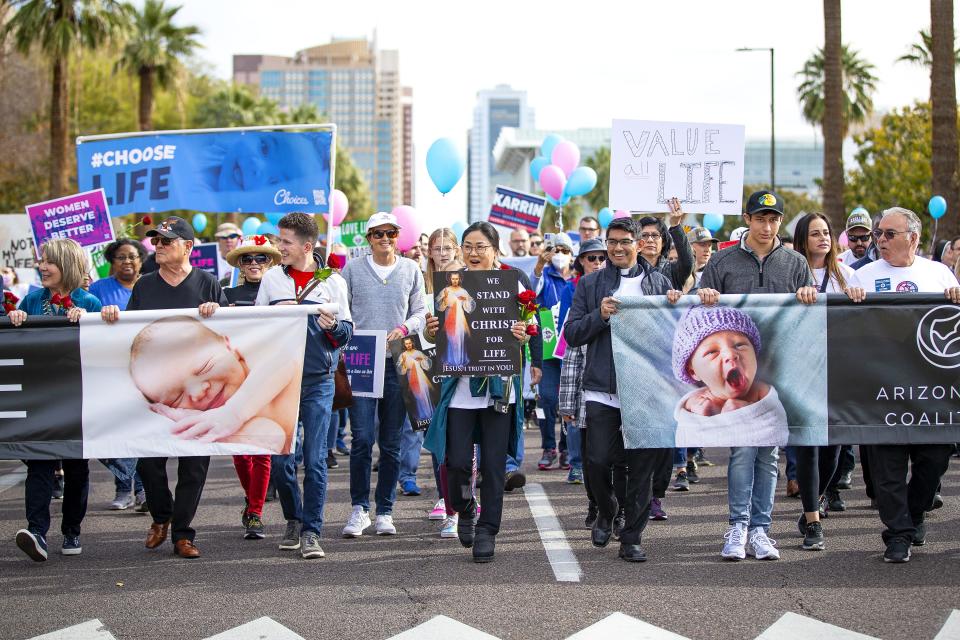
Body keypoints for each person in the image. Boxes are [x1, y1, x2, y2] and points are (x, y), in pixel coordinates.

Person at [697, 190, 817, 562]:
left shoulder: (795, 262)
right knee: (742, 449)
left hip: (778, 370)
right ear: (747, 219)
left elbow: (809, 311)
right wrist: (704, 293)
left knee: (768, 452)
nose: (767, 226)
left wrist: (809, 293)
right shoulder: (723, 260)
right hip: (737, 374)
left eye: (774, 219)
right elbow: (701, 303)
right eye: (761, 218)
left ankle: (762, 530)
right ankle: (738, 526)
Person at [100, 216, 226, 560]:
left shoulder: (209, 284)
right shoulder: (145, 286)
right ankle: (161, 517)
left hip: (197, 393)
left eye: (166, 242)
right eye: (155, 241)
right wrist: (111, 314)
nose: (158, 246)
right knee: (149, 461)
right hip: (154, 391)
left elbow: (233, 335)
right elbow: (129, 332)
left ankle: (183, 534)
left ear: (188, 247)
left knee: (193, 466)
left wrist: (217, 313)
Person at [845, 206, 959, 563]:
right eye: (879, 233)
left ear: (914, 237)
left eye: (888, 234)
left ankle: (915, 513)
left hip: (931, 392)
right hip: (882, 391)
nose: (880, 240)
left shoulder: (939, 273)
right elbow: (844, 329)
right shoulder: (861, 276)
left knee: (935, 460)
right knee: (887, 470)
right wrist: (850, 303)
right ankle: (897, 534)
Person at [564, 217, 679, 563]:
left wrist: (675, 305)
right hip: (603, 389)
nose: (616, 248)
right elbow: (571, 334)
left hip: (646, 391)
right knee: (596, 460)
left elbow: (674, 334)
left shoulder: (659, 283)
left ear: (638, 244)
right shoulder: (590, 284)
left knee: (641, 467)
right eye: (611, 241)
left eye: (624, 241)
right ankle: (606, 506)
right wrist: (599, 316)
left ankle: (632, 537)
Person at [423, 221, 531, 562]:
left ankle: (488, 530)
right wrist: (430, 331)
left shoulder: (512, 284)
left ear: (495, 251)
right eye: (467, 245)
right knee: (454, 462)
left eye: (480, 246)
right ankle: (465, 508)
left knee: (494, 466)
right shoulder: (448, 286)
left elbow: (534, 326)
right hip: (460, 391)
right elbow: (433, 339)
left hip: (499, 390)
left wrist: (524, 333)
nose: (472, 252)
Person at [251, 212, 353, 559]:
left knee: (315, 460)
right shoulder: (271, 281)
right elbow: (256, 326)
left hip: (319, 382)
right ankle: (293, 518)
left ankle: (311, 530)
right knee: (281, 461)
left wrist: (332, 327)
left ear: (307, 246)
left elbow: (346, 334)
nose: (280, 247)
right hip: (280, 381)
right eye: (280, 241)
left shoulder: (333, 282)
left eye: (286, 242)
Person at [11, 239, 101, 562]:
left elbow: (104, 345)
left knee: (77, 469)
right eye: (42, 261)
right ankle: (36, 532)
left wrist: (93, 319)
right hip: (42, 399)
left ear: (68, 264)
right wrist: (17, 321)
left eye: (50, 261)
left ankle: (72, 529)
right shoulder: (31, 300)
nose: (42, 266)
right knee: (39, 464)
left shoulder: (89, 301)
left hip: (78, 401)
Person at [341, 211, 427, 537]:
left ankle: (385, 510)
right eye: (378, 234)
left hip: (398, 359)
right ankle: (359, 508)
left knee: (391, 442)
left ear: (397, 236)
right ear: (368, 239)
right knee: (362, 438)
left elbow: (420, 310)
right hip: (363, 358)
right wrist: (351, 337)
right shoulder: (352, 270)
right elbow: (342, 309)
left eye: (391, 233)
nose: (385, 239)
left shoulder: (410, 269)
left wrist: (405, 327)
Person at [786, 212, 855, 550]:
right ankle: (813, 519)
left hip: (837, 372)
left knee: (835, 447)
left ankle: (817, 498)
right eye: (815, 233)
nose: (822, 238)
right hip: (801, 371)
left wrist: (858, 296)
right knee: (808, 447)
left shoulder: (849, 275)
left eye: (826, 232)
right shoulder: (790, 273)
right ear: (802, 240)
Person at [222, 236, 283, 539]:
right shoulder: (226, 294)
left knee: (262, 449)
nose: (255, 263)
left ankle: (256, 511)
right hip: (235, 380)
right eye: (248, 259)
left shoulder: (282, 294)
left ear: (271, 262)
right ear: (240, 265)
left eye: (261, 258)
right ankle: (252, 501)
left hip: (269, 377)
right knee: (239, 450)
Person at [559, 238, 623, 520]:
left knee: (616, 456)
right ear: (581, 263)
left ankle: (614, 508)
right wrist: (566, 405)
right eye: (590, 258)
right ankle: (595, 502)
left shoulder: (617, 290)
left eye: (601, 258)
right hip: (584, 391)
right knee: (591, 458)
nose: (596, 263)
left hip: (610, 385)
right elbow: (570, 356)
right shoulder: (579, 294)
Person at [89, 238, 149, 511]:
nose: (127, 262)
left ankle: (135, 490)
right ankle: (130, 486)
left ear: (141, 260)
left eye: (132, 257)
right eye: (121, 257)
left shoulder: (150, 285)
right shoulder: (98, 289)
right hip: (107, 368)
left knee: (137, 433)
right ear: (112, 261)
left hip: (141, 368)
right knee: (107, 433)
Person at [531, 232, 576, 471]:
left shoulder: (577, 280)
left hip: (571, 348)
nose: (560, 255)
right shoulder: (543, 276)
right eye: (556, 250)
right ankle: (548, 446)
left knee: (569, 400)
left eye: (565, 251)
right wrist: (540, 264)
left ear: (573, 255)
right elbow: (529, 289)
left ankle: (566, 448)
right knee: (547, 398)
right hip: (548, 348)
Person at [637, 197, 694, 291]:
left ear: (663, 242)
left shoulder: (673, 271)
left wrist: (675, 225)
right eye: (644, 235)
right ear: (638, 242)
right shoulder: (630, 269)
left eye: (655, 235)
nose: (650, 240)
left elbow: (687, 263)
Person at [436, 272, 475, 369]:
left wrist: (465, 299)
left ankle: (459, 362)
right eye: (453, 279)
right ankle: (450, 360)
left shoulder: (463, 291)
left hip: (460, 318)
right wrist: (445, 298)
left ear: (459, 279)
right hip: (449, 317)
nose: (455, 281)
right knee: (451, 339)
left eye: (456, 279)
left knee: (459, 338)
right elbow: (438, 305)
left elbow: (470, 305)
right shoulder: (446, 290)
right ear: (450, 279)